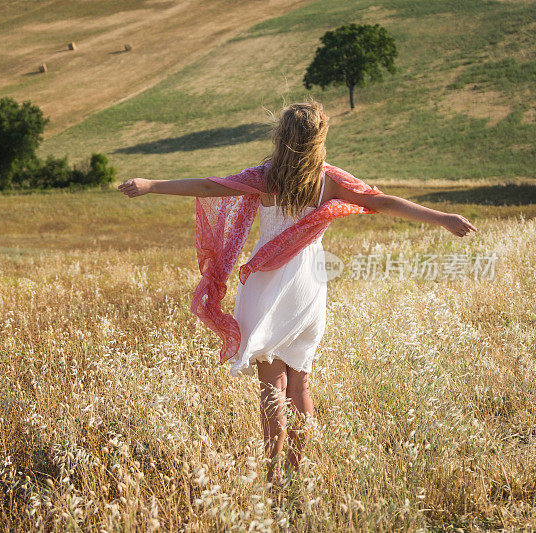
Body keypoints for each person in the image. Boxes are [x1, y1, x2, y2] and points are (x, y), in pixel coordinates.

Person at [117, 100, 477, 484]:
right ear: (319, 138)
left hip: (267, 281)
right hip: (309, 282)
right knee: (301, 379)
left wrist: (151, 185)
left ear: (280, 137)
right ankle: (296, 469)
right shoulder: (330, 180)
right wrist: (443, 218)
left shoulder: (265, 177)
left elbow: (208, 186)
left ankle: (274, 476)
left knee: (272, 383)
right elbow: (382, 202)